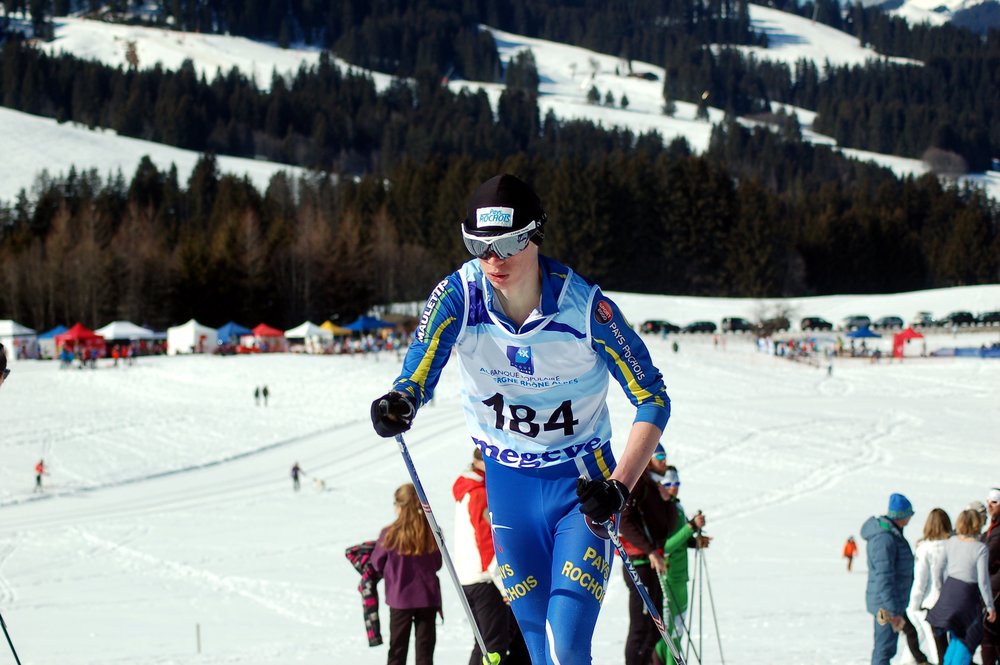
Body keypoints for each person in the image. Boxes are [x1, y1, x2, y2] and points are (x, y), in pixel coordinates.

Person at [370, 173, 671, 664]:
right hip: (507, 489)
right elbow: (419, 370)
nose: (493, 260)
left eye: (508, 243)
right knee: (534, 649)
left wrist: (619, 485)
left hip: (582, 491)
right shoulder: (458, 298)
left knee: (565, 645)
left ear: (535, 235)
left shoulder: (587, 309)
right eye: (478, 246)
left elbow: (653, 397)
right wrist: (401, 400)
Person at [452, 447, 529, 665]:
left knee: (487, 642)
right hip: (485, 579)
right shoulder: (479, 493)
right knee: (494, 647)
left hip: (471, 576)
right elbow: (487, 542)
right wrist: (505, 585)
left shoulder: (469, 488)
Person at [370, 483, 442, 665]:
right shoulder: (430, 532)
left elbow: (377, 564)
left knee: (397, 649)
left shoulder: (389, 534)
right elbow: (438, 563)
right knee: (425, 652)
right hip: (427, 597)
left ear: (400, 506)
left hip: (400, 599)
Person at [619, 443, 675, 665]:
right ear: (648, 458)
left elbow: (666, 528)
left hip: (651, 565)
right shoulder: (638, 482)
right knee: (641, 627)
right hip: (639, 564)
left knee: (654, 628)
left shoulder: (654, 485)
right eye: (659, 455)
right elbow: (624, 522)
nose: (664, 460)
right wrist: (650, 551)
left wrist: (668, 502)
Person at [652, 466, 710, 665]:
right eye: (668, 484)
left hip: (680, 578)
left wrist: (695, 541)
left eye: (676, 483)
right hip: (666, 579)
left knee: (677, 632)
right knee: (670, 635)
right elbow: (664, 547)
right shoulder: (660, 511)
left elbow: (680, 540)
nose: (674, 488)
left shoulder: (676, 506)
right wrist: (690, 528)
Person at [927, 508, 997, 664]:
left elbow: (937, 567)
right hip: (967, 595)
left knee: (955, 637)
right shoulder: (980, 548)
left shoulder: (951, 542)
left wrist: (940, 589)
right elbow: (983, 580)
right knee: (968, 637)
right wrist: (990, 606)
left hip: (949, 591)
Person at [861, 492, 921, 665]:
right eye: (909, 514)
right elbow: (884, 577)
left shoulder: (892, 534)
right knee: (884, 649)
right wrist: (892, 610)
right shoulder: (885, 539)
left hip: (890, 602)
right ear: (901, 515)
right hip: (885, 606)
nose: (911, 518)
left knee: (887, 648)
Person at [908, 508, 953, 664]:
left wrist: (914, 606)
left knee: (938, 650)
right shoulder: (955, 545)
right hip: (955, 602)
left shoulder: (925, 548)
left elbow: (921, 580)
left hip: (933, 604)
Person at [983, 489, 1000, 665]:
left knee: (989, 635)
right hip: (991, 585)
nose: (990, 505)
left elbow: (988, 556)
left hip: (996, 588)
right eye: (988, 501)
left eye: (994, 502)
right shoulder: (992, 527)